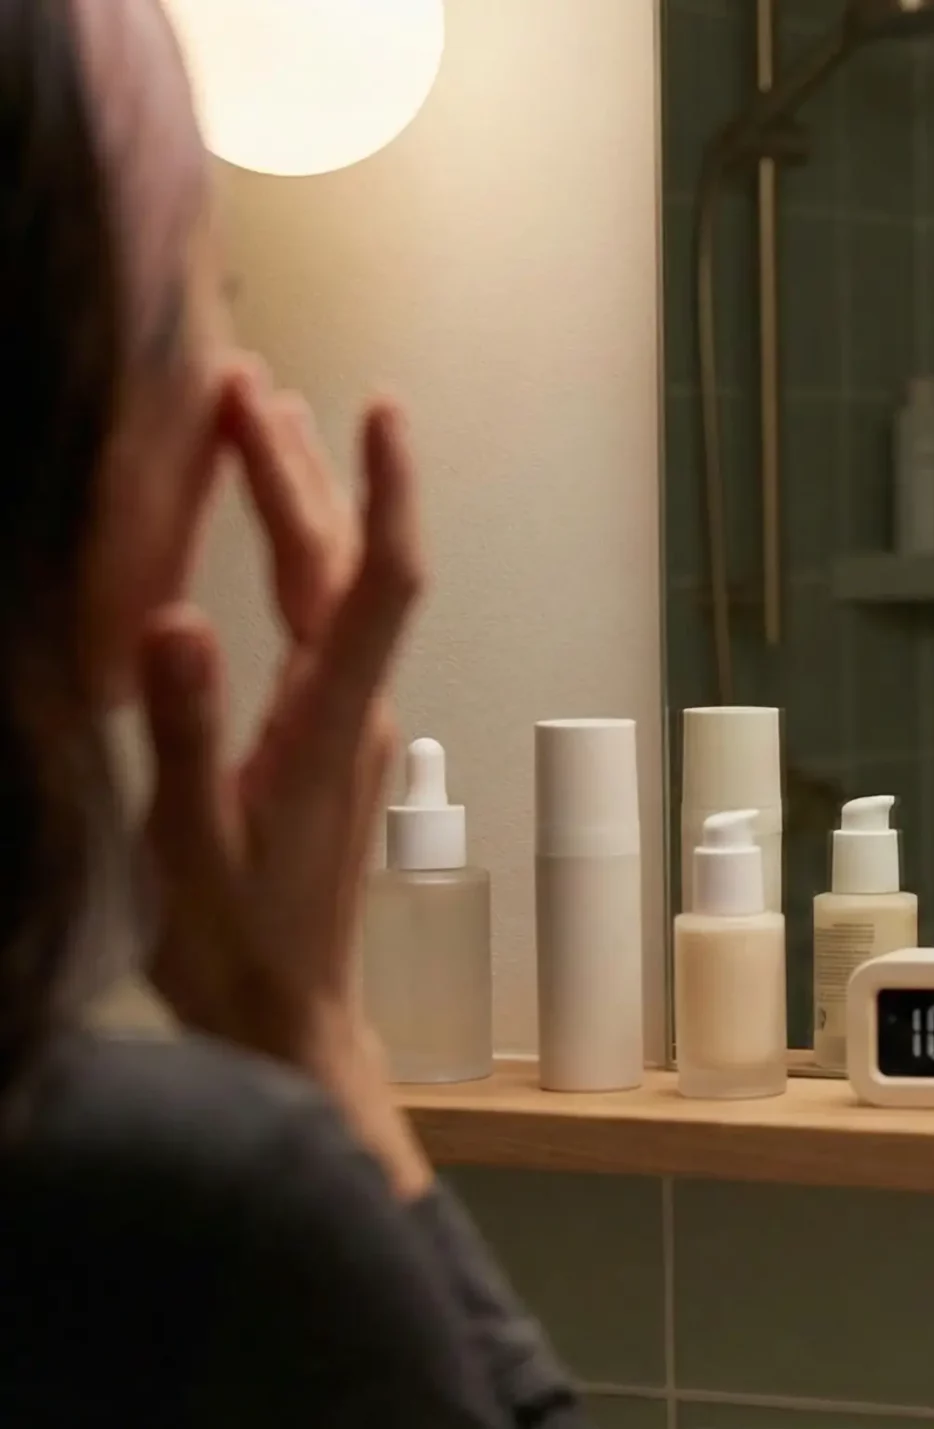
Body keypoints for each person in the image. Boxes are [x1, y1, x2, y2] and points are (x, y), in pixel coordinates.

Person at [0, 2, 584, 1424]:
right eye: (219, 288)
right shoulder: (187, 1231)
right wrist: (313, 1042)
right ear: (95, 449)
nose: (234, 375)